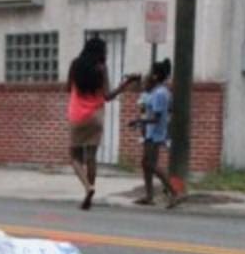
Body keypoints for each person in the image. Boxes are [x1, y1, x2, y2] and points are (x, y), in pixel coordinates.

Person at [66, 37, 138, 210]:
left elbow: (68, 88)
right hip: (96, 116)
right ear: (99, 52)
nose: (106, 53)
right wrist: (126, 83)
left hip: (77, 115)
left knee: (75, 158)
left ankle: (87, 187)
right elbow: (107, 96)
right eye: (105, 50)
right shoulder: (101, 68)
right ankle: (89, 195)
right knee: (91, 157)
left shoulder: (75, 65)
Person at [129, 59, 179, 208]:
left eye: (151, 72)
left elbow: (156, 119)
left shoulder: (160, 93)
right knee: (146, 164)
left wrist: (138, 121)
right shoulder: (156, 91)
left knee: (151, 164)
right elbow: (146, 105)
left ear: (156, 76)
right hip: (150, 133)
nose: (149, 74)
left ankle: (174, 193)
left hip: (155, 133)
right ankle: (149, 196)